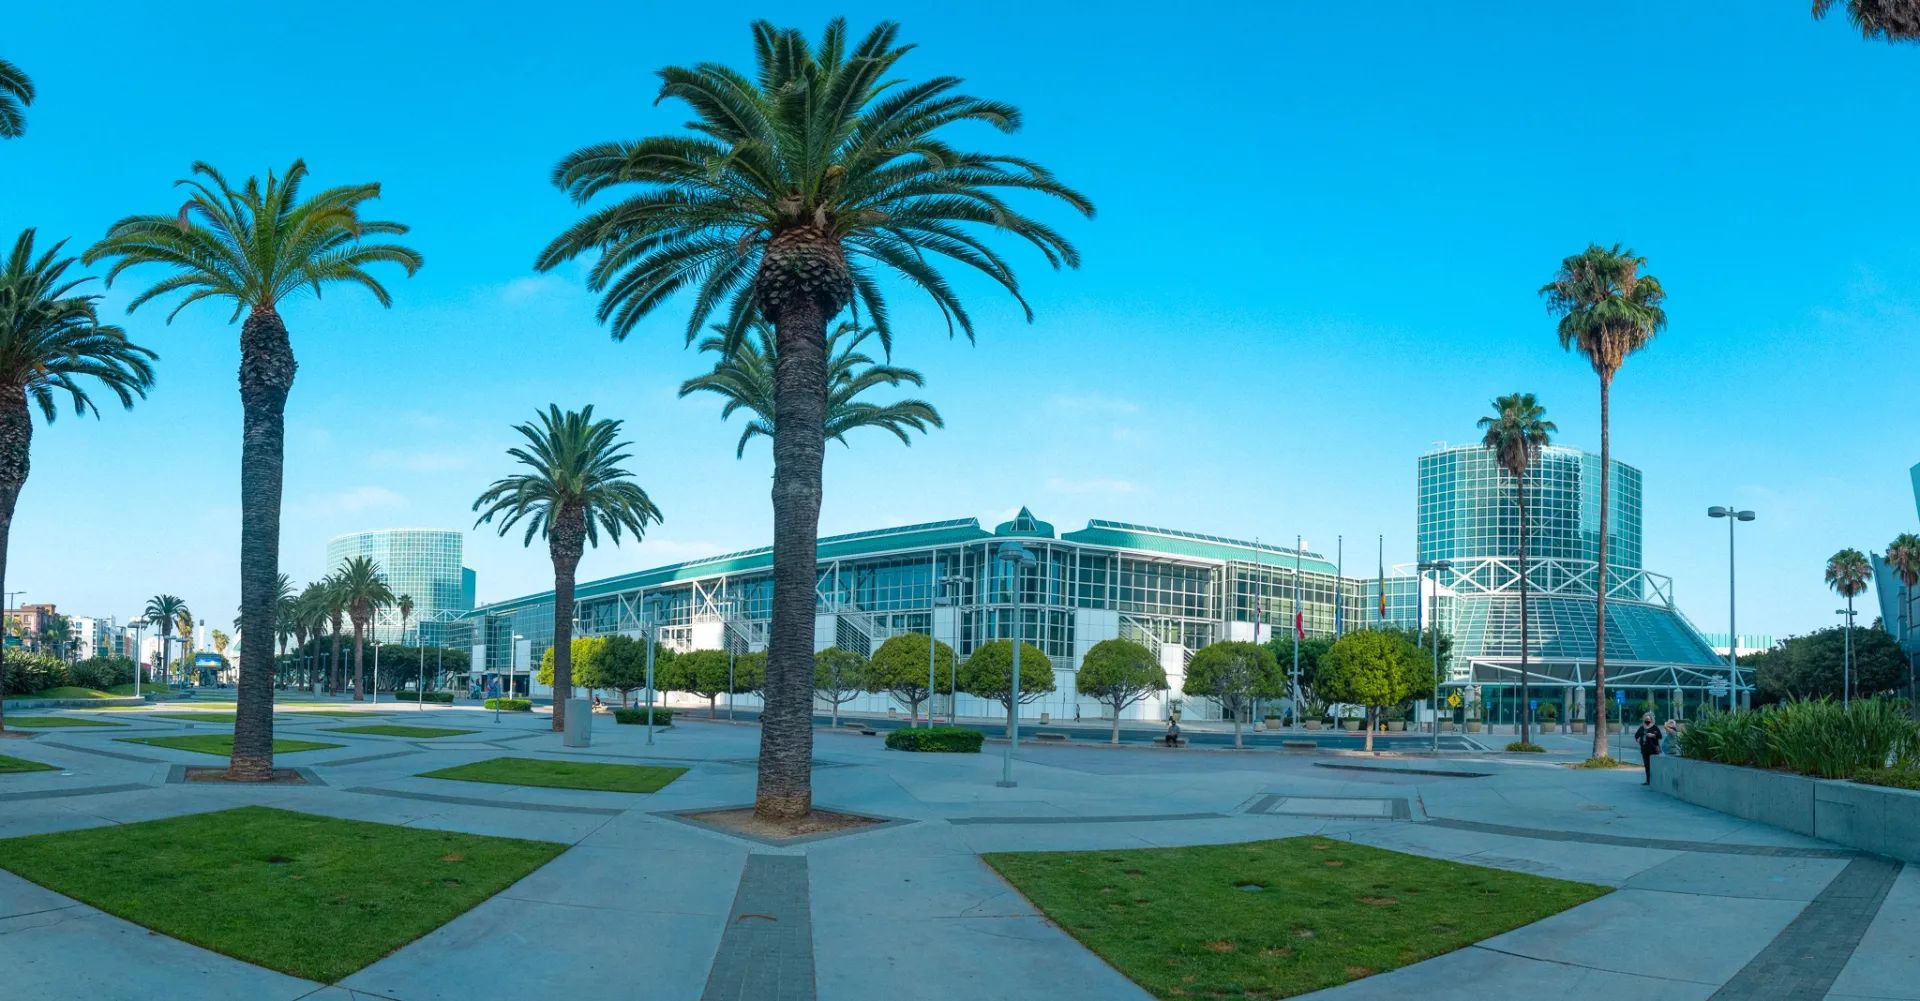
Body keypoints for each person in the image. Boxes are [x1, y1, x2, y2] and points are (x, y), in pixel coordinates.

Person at [1634, 712, 1663, 785]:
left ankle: (1655, 781)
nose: (1647, 720)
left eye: (1648, 719)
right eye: (1646, 719)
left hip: (1653, 749)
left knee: (1653, 765)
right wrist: (1638, 739)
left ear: (1651, 720)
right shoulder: (1642, 727)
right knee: (1647, 765)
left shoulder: (1654, 727)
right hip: (1644, 749)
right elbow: (1636, 735)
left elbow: (1660, 736)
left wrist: (1653, 735)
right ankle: (1648, 780)